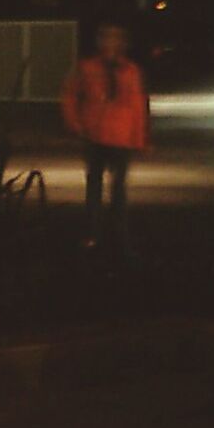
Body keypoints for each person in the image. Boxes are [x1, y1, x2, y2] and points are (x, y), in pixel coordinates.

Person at [61, 20, 149, 256]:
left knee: (118, 189)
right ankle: (93, 233)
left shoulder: (131, 71)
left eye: (116, 38)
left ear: (123, 43)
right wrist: (76, 124)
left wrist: (139, 138)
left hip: (120, 137)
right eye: (106, 37)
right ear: (99, 41)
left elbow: (138, 106)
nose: (111, 42)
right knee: (94, 187)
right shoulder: (87, 68)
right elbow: (70, 95)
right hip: (95, 135)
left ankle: (119, 235)